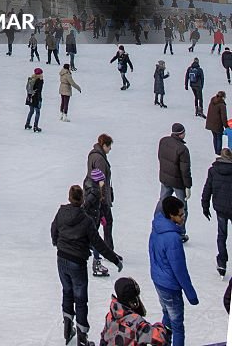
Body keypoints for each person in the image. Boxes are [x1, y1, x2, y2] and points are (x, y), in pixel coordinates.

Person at [50, 184, 123, 346]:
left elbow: (53, 229)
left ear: (69, 198)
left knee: (67, 292)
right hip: (77, 262)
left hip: (61, 259)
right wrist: (114, 259)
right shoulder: (86, 221)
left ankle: (67, 327)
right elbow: (99, 244)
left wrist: (57, 242)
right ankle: (82, 338)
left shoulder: (61, 212)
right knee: (81, 299)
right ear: (82, 199)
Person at [149, 196, 199, 346]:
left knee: (167, 314)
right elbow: (179, 269)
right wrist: (191, 294)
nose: (183, 217)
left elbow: (151, 252)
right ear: (171, 215)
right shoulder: (172, 238)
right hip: (170, 286)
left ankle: (161, 341)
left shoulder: (157, 227)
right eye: (180, 215)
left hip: (158, 280)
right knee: (177, 326)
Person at [98, 276, 169, 346]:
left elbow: (104, 337)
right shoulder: (136, 323)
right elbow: (161, 339)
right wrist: (161, 326)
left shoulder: (111, 314)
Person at [201, 146, 232, 277]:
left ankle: (222, 262)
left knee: (222, 235)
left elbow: (207, 188)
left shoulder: (213, 170)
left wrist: (205, 205)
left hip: (220, 208)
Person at [158, 123, 192, 239]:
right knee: (182, 207)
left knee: (162, 201)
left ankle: (157, 222)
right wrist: (188, 186)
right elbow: (185, 170)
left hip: (165, 178)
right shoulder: (182, 149)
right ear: (181, 134)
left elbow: (160, 157)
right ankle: (181, 232)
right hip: (178, 182)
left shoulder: (163, 141)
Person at [87, 135, 116, 253]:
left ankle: (95, 247)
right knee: (106, 222)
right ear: (104, 145)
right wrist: (103, 198)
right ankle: (107, 250)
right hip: (99, 197)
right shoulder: (100, 160)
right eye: (109, 146)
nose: (110, 149)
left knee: (97, 222)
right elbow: (101, 182)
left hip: (93, 194)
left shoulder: (93, 154)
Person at [83, 167, 111, 278]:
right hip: (91, 223)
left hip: (94, 220)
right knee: (96, 244)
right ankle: (96, 265)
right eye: (102, 181)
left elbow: (97, 207)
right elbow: (85, 207)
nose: (103, 183)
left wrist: (101, 216)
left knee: (94, 244)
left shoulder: (95, 190)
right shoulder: (94, 193)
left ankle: (96, 263)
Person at [206, 91, 228, 157]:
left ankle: (216, 151)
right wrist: (226, 126)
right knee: (219, 138)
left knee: (215, 137)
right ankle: (218, 152)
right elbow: (223, 117)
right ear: (223, 97)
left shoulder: (213, 100)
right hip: (217, 124)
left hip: (211, 123)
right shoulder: (222, 105)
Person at [25, 67, 44, 132]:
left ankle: (27, 124)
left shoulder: (31, 79)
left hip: (30, 97)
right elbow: (39, 90)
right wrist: (39, 100)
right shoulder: (39, 80)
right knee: (37, 112)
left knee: (31, 111)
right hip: (36, 98)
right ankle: (35, 126)